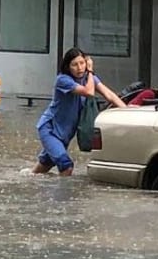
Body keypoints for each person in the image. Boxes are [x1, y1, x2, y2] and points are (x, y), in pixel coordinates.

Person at [32, 48, 125, 176]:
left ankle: (26, 180)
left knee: (42, 169)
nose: (80, 68)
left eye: (82, 63)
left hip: (65, 134)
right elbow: (89, 92)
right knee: (66, 166)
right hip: (50, 130)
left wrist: (127, 109)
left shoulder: (88, 79)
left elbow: (109, 95)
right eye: (74, 65)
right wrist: (91, 71)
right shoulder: (63, 80)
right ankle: (62, 196)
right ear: (68, 67)